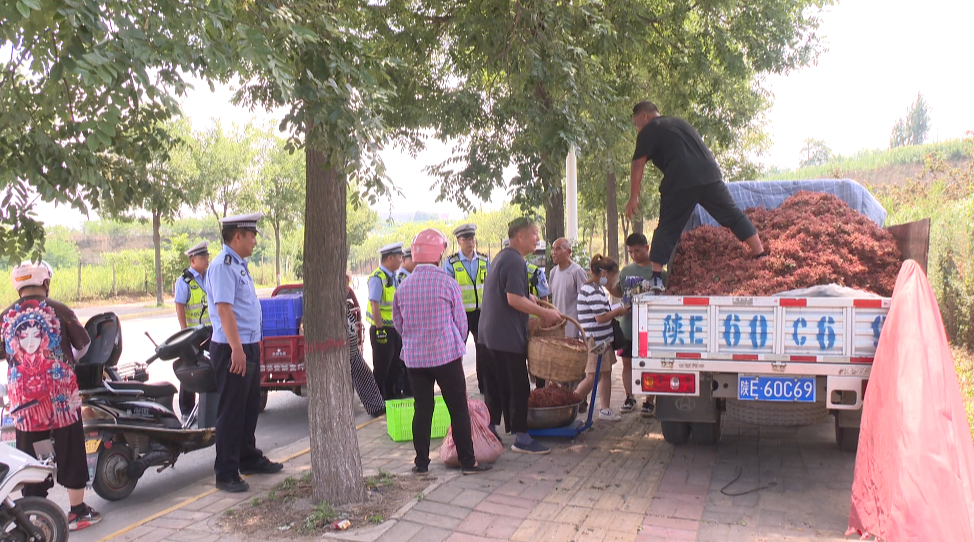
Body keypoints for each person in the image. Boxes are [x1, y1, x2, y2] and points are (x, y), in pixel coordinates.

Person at [0, 262, 102, 530]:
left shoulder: (5, 317)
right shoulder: (60, 310)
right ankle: (77, 512)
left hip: (25, 405)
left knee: (33, 455)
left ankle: (34, 514)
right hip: (62, 400)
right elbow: (83, 345)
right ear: (46, 283)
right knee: (70, 449)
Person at [625, 101, 766, 293]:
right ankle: (760, 254)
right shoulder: (680, 123)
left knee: (667, 226)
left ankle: (656, 279)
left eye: (636, 124)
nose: (637, 129)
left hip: (680, 179)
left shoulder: (650, 129)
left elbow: (637, 165)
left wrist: (634, 197)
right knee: (732, 214)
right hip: (710, 174)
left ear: (644, 116)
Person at [394, 229, 493, 475]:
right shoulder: (447, 283)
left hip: (415, 360)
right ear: (439, 254)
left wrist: (415, 339)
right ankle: (468, 462)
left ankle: (421, 464)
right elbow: (461, 323)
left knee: (422, 408)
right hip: (446, 356)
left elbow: (399, 324)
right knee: (457, 408)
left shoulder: (403, 288)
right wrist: (456, 344)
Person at [206, 213, 283, 493]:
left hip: (246, 345)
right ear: (237, 236)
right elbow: (224, 309)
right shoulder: (223, 266)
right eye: (251, 236)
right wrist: (237, 348)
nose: (254, 241)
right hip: (231, 347)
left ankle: (247, 458)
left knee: (249, 407)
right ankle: (225, 472)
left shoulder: (239, 264)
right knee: (232, 410)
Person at [479, 217, 561, 455]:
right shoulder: (516, 261)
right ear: (520, 236)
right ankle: (522, 438)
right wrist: (544, 314)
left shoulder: (502, 257)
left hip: (488, 335)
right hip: (505, 337)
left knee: (494, 387)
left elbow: (512, 292)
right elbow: (513, 299)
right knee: (518, 388)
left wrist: (531, 298)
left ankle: (491, 431)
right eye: (535, 234)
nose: (538, 238)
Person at [575, 255, 629, 421]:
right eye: (613, 277)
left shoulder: (595, 289)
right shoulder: (593, 290)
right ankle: (572, 402)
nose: (613, 281)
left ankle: (604, 408)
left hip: (602, 340)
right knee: (593, 376)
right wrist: (617, 312)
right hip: (595, 341)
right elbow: (600, 317)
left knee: (605, 373)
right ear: (604, 273)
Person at [609, 233, 656, 416]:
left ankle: (649, 400)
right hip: (628, 326)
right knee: (627, 362)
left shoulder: (658, 271)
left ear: (647, 247)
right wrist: (606, 284)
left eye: (637, 250)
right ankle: (629, 397)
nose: (634, 255)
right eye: (630, 252)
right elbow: (620, 293)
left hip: (651, 327)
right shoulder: (626, 271)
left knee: (650, 365)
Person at [443, 223, 490, 394]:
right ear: (459, 241)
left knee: (483, 350)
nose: (470, 242)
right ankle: (456, 387)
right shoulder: (451, 263)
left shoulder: (484, 260)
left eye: (472, 238)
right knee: (456, 352)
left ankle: (484, 386)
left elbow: (491, 286)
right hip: (459, 314)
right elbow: (447, 289)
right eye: (466, 239)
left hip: (481, 313)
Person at [173, 240, 210, 424]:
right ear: (193, 260)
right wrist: (184, 330)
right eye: (203, 257)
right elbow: (179, 306)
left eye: (207, 256)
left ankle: (208, 406)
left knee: (210, 370)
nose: (207, 259)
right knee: (190, 371)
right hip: (193, 335)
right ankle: (187, 410)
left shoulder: (209, 277)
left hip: (210, 333)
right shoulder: (184, 281)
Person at [367, 242, 406, 400]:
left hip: (394, 329)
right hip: (382, 329)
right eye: (399, 257)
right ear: (390, 258)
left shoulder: (393, 277)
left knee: (395, 367)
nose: (401, 260)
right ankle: (377, 402)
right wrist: (380, 329)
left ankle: (391, 399)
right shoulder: (378, 278)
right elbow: (374, 304)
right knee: (382, 369)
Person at [346, 275, 386, 417]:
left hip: (352, 351)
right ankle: (376, 408)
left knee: (365, 377)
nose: (346, 289)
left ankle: (377, 408)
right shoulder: (334, 308)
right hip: (344, 353)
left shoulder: (344, 306)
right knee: (360, 379)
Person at [548, 238, 590, 339]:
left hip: (573, 328)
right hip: (557, 326)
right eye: (553, 249)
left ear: (569, 252)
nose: (554, 253)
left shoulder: (577, 271)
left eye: (558, 249)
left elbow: (585, 299)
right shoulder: (553, 272)